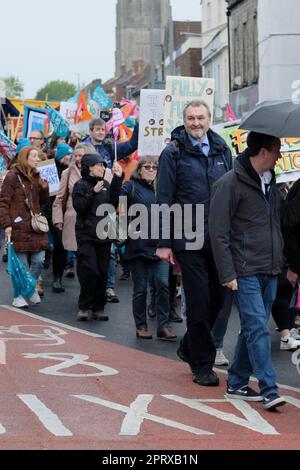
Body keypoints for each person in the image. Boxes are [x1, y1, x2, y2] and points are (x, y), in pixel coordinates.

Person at [156, 100, 232, 386]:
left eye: (200, 117)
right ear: (184, 120)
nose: (196, 123)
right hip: (187, 238)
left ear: (209, 119)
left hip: (219, 238)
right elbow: (163, 198)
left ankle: (189, 346)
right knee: (199, 302)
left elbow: (232, 193)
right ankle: (202, 364)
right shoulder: (172, 153)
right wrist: (163, 242)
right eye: (191, 118)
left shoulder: (222, 149)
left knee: (221, 300)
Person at [209, 131, 286, 411]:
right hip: (244, 270)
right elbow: (218, 233)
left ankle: (238, 382)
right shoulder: (229, 183)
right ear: (264, 152)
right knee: (257, 329)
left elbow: (277, 224)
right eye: (277, 149)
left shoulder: (271, 183)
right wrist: (228, 274)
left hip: (270, 268)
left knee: (251, 330)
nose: (280, 155)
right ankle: (269, 389)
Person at [120, 156, 176, 340]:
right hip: (138, 247)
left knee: (163, 285)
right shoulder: (131, 186)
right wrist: (114, 178)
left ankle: (163, 325)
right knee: (141, 289)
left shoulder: (164, 190)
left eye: (154, 167)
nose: (151, 170)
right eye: (147, 166)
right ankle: (141, 325)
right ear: (139, 169)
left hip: (161, 245)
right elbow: (116, 198)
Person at [72, 154, 123, 321]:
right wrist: (93, 193)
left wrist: (117, 179)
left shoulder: (106, 185)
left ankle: (98, 307)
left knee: (102, 271)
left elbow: (113, 203)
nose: (102, 168)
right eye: (98, 165)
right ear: (89, 167)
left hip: (104, 234)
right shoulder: (80, 185)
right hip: (86, 234)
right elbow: (79, 207)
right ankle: (84, 306)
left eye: (103, 165)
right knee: (89, 270)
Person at [0, 147, 49, 307]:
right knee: (20, 267)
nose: (37, 159)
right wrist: (7, 224)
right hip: (18, 226)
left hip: (35, 227)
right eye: (33, 156)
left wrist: (44, 187)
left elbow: (42, 201)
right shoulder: (12, 176)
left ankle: (29, 288)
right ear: (24, 158)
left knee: (39, 260)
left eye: (37, 156)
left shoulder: (37, 176)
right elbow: (3, 202)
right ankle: (18, 296)